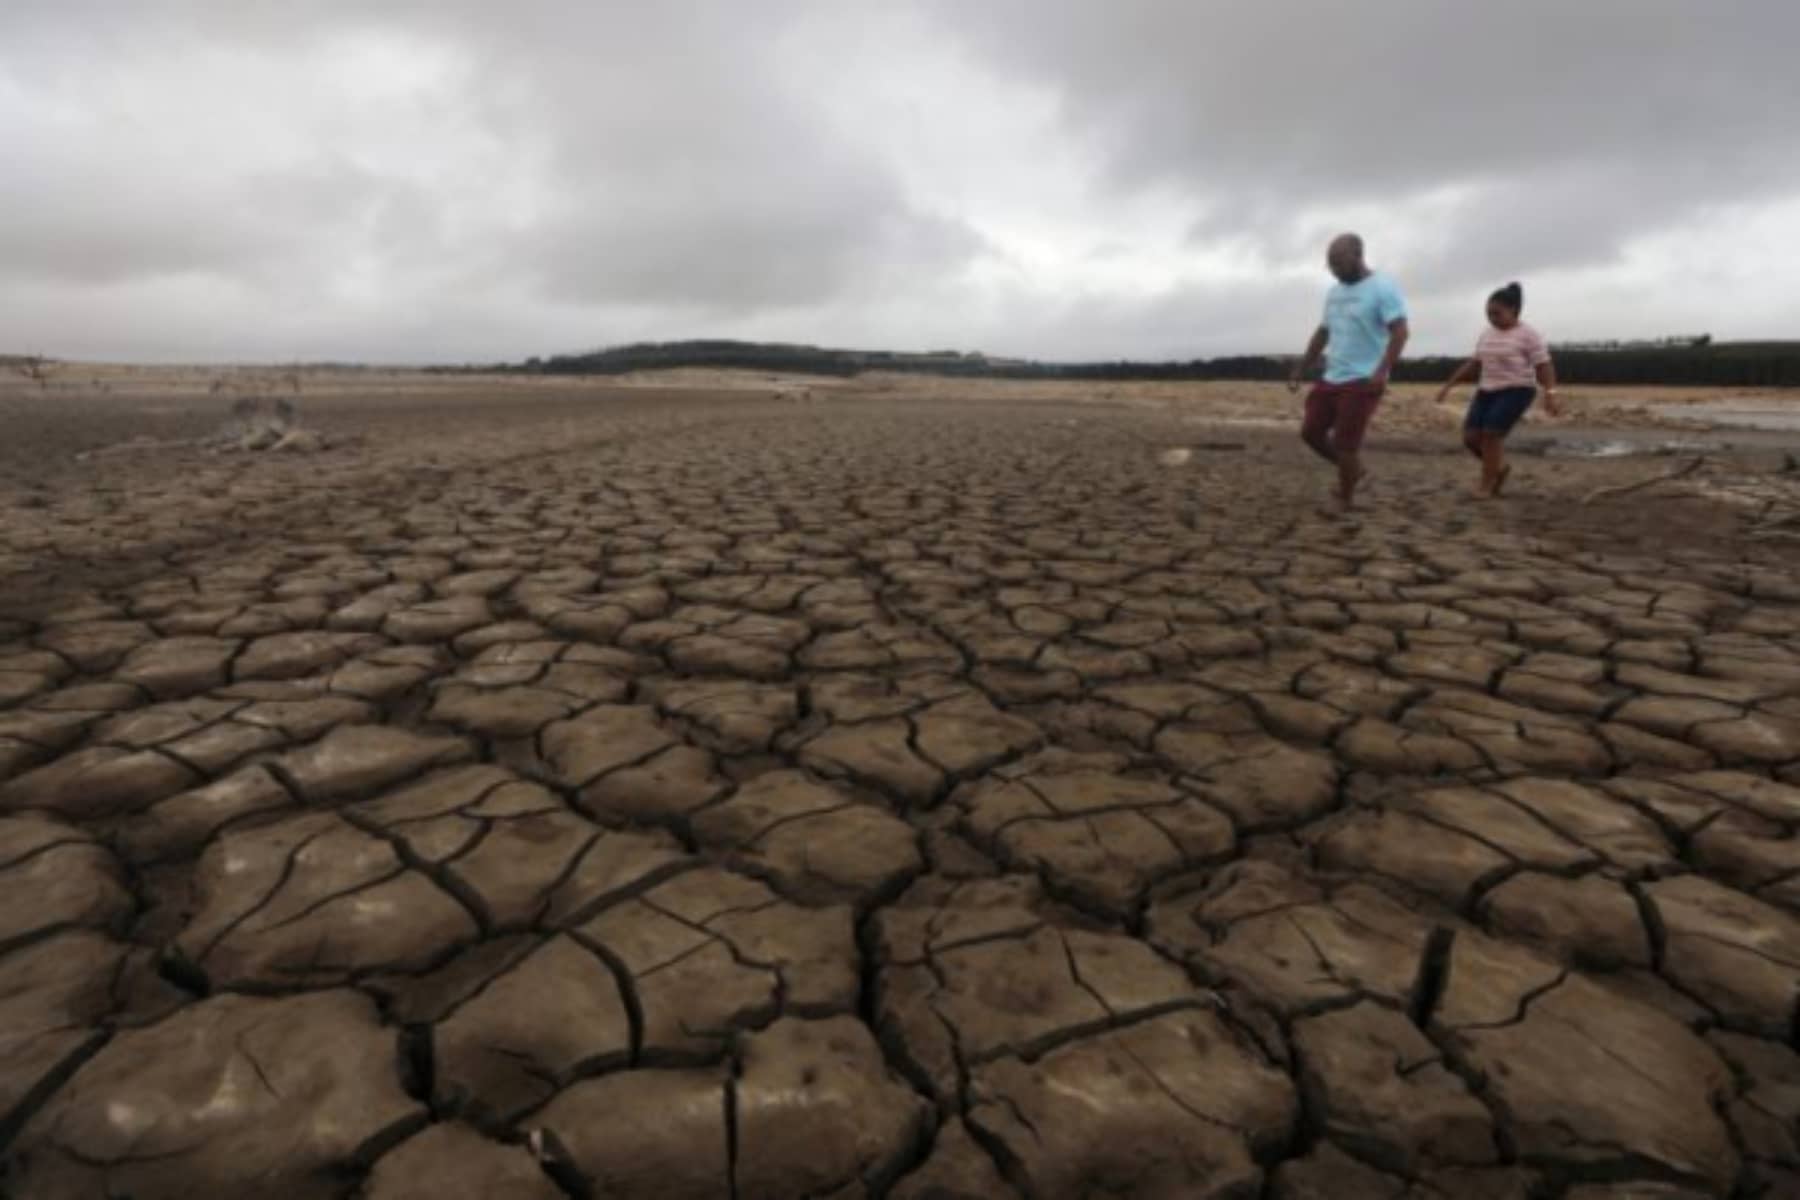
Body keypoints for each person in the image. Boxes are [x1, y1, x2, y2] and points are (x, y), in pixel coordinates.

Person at [1287, 234, 1410, 510]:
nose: (1334, 270)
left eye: (1339, 263)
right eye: (1330, 265)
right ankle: (1354, 472)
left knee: (1346, 444)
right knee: (1311, 432)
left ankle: (1345, 497)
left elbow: (1400, 333)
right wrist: (1302, 365)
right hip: (1332, 376)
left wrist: (1381, 371)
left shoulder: (1382, 288)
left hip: (1363, 379)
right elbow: (1323, 331)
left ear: (1358, 255)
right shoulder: (1334, 292)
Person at [1434, 282, 1560, 498]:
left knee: (1491, 435)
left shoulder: (1529, 334)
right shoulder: (1487, 334)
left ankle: (1486, 485)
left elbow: (1544, 366)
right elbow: (1474, 364)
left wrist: (1551, 395)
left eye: (1497, 313)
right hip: (1487, 391)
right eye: (1488, 314)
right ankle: (1498, 470)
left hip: (1517, 390)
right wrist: (1448, 386)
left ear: (1513, 310)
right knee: (1471, 439)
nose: (1492, 318)